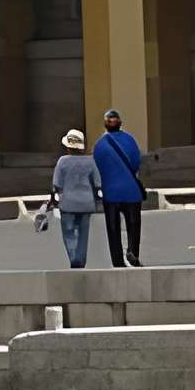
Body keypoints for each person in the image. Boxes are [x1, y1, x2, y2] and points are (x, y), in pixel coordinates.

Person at [93, 106, 148, 268]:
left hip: (111, 193)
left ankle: (117, 262)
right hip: (131, 191)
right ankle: (132, 250)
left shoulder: (99, 145)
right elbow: (136, 163)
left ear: (105, 125)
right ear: (120, 124)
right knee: (133, 224)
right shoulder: (130, 140)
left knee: (113, 228)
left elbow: (97, 168)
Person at [42, 128, 102, 271]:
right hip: (87, 203)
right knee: (83, 233)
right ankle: (80, 259)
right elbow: (98, 182)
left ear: (68, 147)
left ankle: (74, 257)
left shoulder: (62, 161)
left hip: (68, 202)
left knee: (68, 232)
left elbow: (56, 184)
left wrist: (52, 201)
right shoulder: (91, 161)